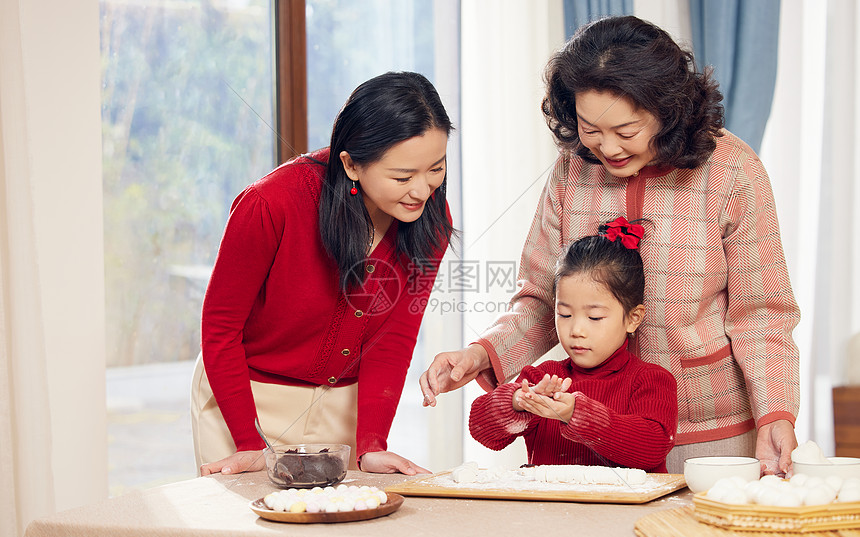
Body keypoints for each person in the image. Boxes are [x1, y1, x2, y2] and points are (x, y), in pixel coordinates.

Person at [420, 15, 800, 476]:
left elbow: (761, 313)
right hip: (583, 431)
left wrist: (775, 412)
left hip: (709, 432)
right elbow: (542, 298)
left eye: (626, 131)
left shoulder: (732, 172)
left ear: (668, 110)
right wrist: (480, 354)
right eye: (590, 128)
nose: (608, 148)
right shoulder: (571, 172)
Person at [193, 71, 454, 477]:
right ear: (350, 164)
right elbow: (220, 328)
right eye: (403, 177)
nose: (422, 190)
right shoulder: (270, 204)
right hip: (247, 402)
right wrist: (247, 441)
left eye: (435, 169)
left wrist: (371, 445)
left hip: (342, 410)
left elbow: (393, 339)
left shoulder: (429, 219)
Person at [469, 219, 677, 472]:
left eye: (595, 317)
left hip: (624, 512)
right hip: (549, 510)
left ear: (633, 318)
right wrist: (517, 401)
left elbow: (650, 450)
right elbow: (483, 431)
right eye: (565, 315)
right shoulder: (541, 379)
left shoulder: (651, 380)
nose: (576, 331)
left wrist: (577, 415)